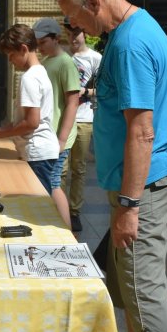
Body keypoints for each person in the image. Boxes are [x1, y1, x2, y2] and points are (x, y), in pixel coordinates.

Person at [55, 0, 167, 332]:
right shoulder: (136, 27)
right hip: (143, 181)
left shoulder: (129, 43)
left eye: (73, 17)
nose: (74, 28)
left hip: (143, 186)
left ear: (93, 1)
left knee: (141, 281)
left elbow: (142, 131)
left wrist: (128, 206)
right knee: (123, 275)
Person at [0, 24, 59, 194]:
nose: (10, 60)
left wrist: (0, 134)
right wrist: (0, 129)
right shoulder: (40, 71)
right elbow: (26, 120)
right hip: (43, 150)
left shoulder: (29, 78)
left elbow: (31, 123)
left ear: (23, 49)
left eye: (11, 55)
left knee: (38, 203)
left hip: (37, 151)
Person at [32, 17, 81, 228]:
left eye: (43, 42)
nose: (40, 47)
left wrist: (62, 138)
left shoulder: (65, 62)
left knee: (53, 183)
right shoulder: (46, 62)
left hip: (59, 138)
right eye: (37, 44)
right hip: (47, 137)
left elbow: (73, 102)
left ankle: (66, 231)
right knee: (51, 183)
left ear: (56, 38)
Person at [64, 23, 102, 233]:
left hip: (84, 119)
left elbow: (105, 89)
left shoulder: (95, 59)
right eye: (69, 33)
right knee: (60, 169)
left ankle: (74, 211)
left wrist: (86, 92)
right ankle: (58, 209)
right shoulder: (63, 57)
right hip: (63, 120)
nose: (72, 38)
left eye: (76, 33)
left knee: (79, 168)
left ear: (85, 33)